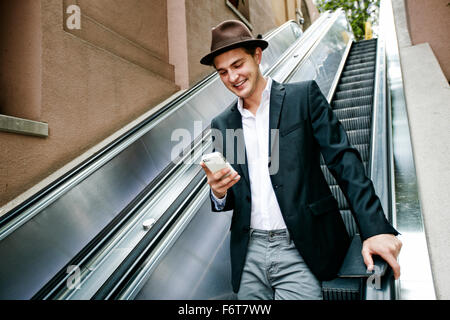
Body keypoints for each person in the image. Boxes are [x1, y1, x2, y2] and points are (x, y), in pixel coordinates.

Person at [199, 20, 402, 300]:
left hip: (301, 246)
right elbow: (236, 195)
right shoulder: (224, 124)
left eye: (237, 65)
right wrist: (219, 192)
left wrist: (375, 229)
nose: (232, 78)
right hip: (249, 254)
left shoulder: (302, 97)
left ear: (257, 56)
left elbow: (344, 161)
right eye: (223, 72)